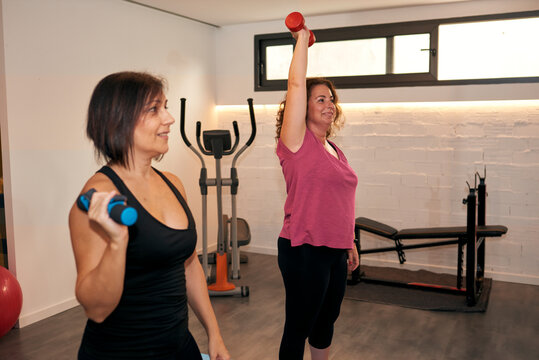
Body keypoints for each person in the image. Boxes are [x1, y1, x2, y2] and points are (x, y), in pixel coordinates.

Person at [69, 71, 230, 360]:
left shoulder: (172, 182)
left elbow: (189, 263)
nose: (169, 118)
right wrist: (118, 242)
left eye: (165, 107)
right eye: (154, 109)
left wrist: (213, 332)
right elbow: (96, 309)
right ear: (120, 120)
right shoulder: (99, 198)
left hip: (180, 347)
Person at [275, 26, 360, 360]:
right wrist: (301, 40)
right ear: (302, 107)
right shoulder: (295, 142)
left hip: (335, 249)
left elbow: (340, 202)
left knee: (326, 321)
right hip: (303, 248)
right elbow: (296, 84)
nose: (329, 104)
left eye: (331, 99)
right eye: (320, 99)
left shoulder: (335, 149)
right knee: (299, 325)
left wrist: (350, 242)